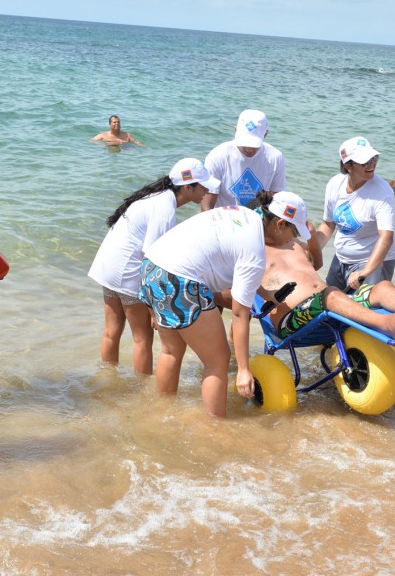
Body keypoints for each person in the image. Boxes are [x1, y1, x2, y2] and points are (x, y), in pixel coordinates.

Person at [139, 194, 298, 417]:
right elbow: (240, 315)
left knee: (171, 350)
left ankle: (163, 414)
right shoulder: (254, 250)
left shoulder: (242, 215)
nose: (293, 243)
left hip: (152, 267)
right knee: (218, 359)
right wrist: (243, 370)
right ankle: (215, 428)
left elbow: (227, 259)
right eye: (294, 234)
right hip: (179, 280)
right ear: (281, 224)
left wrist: (264, 292)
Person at [88, 159, 218, 374]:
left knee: (111, 332)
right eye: (203, 185)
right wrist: (153, 310)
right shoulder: (165, 208)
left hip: (108, 267)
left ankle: (108, 380)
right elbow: (153, 258)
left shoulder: (157, 197)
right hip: (128, 272)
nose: (207, 190)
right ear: (188, 186)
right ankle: (142, 390)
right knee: (143, 338)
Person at [249, 192, 395, 340]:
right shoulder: (251, 247)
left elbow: (316, 264)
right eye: (294, 231)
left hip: (327, 305)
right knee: (330, 294)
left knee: (382, 288)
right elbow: (237, 293)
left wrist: (311, 238)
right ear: (280, 225)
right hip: (292, 319)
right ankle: (385, 324)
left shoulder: (291, 242)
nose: (294, 235)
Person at [312, 137, 395, 292]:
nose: (372, 164)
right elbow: (328, 224)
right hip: (341, 259)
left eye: (374, 158)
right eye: (365, 162)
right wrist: (311, 252)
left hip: (372, 262)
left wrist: (365, 272)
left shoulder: (382, 192)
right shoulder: (334, 184)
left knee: (362, 309)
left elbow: (386, 237)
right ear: (348, 165)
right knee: (329, 301)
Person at [201, 109, 286, 210]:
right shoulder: (216, 157)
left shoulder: (275, 158)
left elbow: (277, 201)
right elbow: (207, 207)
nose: (249, 149)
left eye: (254, 145)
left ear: (266, 134)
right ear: (235, 130)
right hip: (224, 220)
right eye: (244, 143)